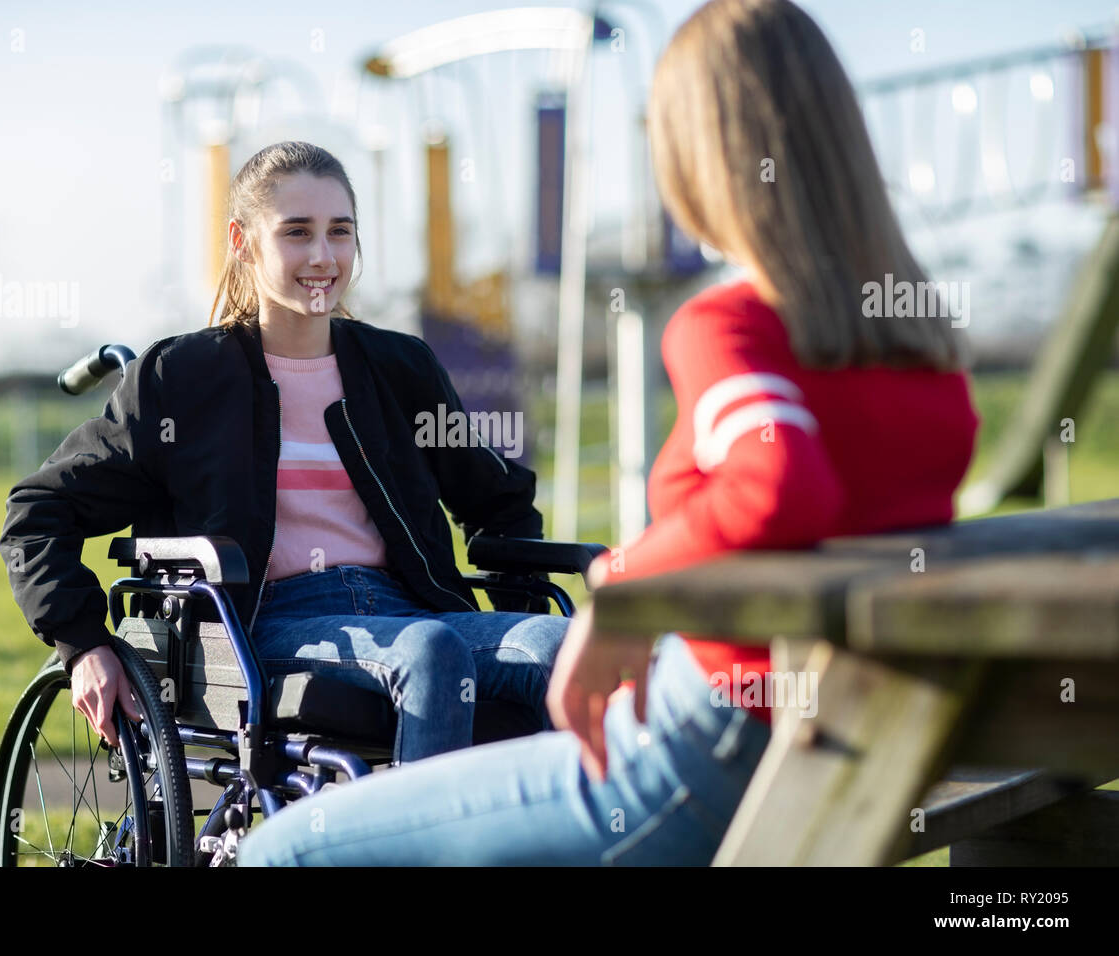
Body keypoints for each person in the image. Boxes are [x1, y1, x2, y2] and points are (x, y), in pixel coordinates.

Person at [235, 0, 979, 865]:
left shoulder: (730, 327)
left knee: (281, 852)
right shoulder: (923, 349)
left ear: (703, 159)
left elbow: (780, 485)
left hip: (710, 746)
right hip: (864, 739)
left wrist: (625, 587)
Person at [0, 141, 568, 765]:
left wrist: (519, 610)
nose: (323, 256)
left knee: (558, 643)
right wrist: (83, 643)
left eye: (339, 232)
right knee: (431, 651)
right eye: (297, 232)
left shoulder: (400, 368)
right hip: (260, 624)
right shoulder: (183, 377)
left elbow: (498, 498)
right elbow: (39, 510)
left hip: (413, 608)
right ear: (242, 241)